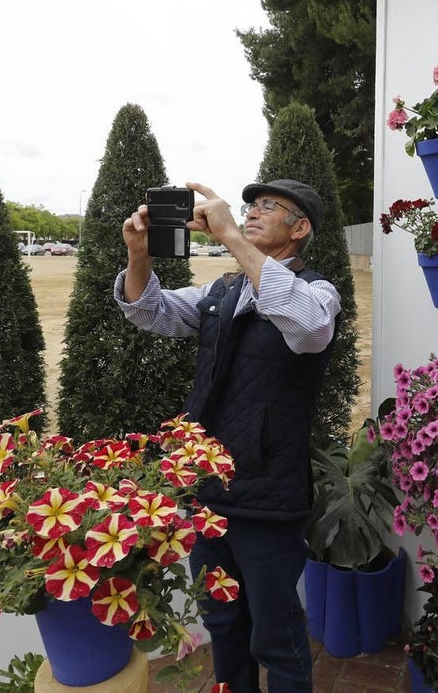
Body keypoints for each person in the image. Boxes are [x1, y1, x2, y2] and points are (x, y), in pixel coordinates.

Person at [114, 178, 340, 693]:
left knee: (277, 638)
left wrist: (232, 235)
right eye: (248, 207)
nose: (252, 213)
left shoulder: (318, 293)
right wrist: (138, 255)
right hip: (209, 493)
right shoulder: (224, 291)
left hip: (267, 497)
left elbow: (304, 326)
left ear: (299, 228)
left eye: (267, 207)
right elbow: (151, 311)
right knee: (224, 627)